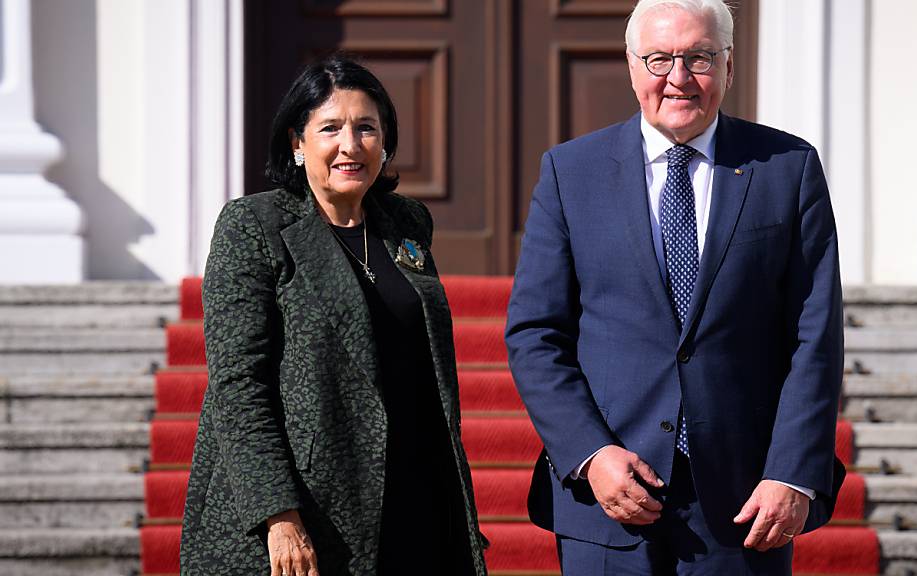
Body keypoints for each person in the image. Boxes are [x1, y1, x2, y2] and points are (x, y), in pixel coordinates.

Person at [505, 0, 846, 573]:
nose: (679, 78)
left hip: (745, 505)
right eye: (660, 59)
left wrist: (791, 469)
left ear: (730, 67)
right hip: (609, 499)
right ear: (632, 67)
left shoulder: (788, 167)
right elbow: (535, 332)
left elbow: (815, 334)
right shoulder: (571, 172)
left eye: (700, 58)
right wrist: (591, 455)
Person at [180, 52, 487, 576]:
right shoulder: (254, 226)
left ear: (385, 141)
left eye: (366, 128)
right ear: (298, 143)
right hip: (307, 511)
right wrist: (278, 515)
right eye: (330, 129)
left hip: (413, 496)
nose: (350, 145)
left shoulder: (406, 223)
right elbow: (238, 387)